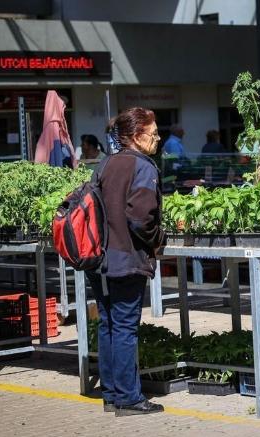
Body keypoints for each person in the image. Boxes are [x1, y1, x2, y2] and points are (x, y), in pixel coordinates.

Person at [88, 107, 166, 417]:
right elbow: (141, 218)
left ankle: (110, 394)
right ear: (136, 136)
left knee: (108, 324)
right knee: (124, 328)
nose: (157, 139)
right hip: (126, 258)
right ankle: (129, 399)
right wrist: (158, 239)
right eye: (153, 134)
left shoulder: (105, 164)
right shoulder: (143, 167)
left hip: (99, 259)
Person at [35, 90, 77, 168]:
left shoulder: (55, 125)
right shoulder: (53, 126)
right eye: (62, 105)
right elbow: (55, 153)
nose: (63, 109)